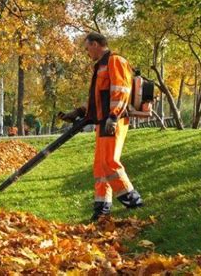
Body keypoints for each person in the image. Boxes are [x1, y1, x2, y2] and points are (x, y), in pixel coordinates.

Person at [58, 32, 143, 222]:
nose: (87, 53)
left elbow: (121, 91)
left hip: (113, 121)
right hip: (103, 121)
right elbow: (99, 99)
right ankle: (101, 210)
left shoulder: (115, 61)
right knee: (100, 166)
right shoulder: (101, 66)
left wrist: (113, 117)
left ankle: (134, 202)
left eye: (87, 48)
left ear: (95, 44)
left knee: (109, 163)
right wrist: (79, 111)